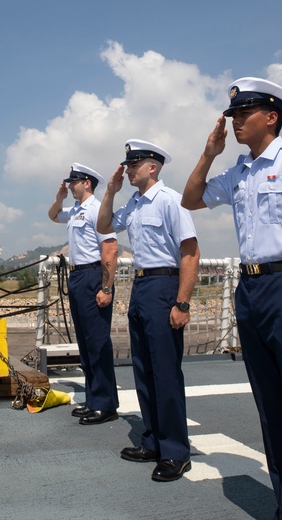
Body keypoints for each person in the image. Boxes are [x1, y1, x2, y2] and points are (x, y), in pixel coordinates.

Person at [183, 77, 282, 519]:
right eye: (232, 114)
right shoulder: (237, 172)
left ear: (271, 116)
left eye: (243, 113)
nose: (235, 120)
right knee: (272, 411)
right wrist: (209, 153)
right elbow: (191, 197)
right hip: (251, 289)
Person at [96, 140, 199, 482]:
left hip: (164, 285)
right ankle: (153, 441)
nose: (127, 169)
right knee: (143, 370)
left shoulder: (171, 200)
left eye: (134, 163)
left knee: (165, 371)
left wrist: (182, 303)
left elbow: (190, 252)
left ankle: (176, 453)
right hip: (140, 286)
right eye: (127, 164)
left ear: (152, 166)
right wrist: (110, 192)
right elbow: (104, 226)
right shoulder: (135, 203)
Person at [47, 163, 120, 425]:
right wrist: (59, 199)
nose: (70, 185)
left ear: (87, 182)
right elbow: (53, 216)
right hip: (77, 275)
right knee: (86, 343)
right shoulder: (76, 209)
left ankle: (106, 404)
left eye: (73, 182)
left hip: (92, 276)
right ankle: (93, 399)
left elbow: (110, 249)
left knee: (98, 341)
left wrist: (106, 287)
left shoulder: (98, 210)